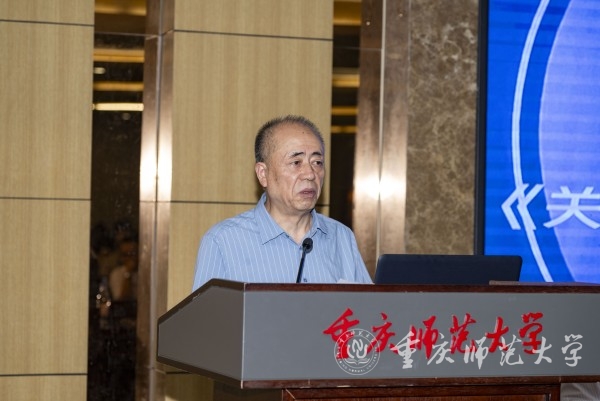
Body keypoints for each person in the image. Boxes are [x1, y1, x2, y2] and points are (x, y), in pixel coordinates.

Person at [192, 115, 372, 290]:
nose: (310, 174)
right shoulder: (223, 241)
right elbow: (206, 311)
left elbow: (370, 306)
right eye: (296, 162)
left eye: (317, 162)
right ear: (263, 174)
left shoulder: (341, 237)